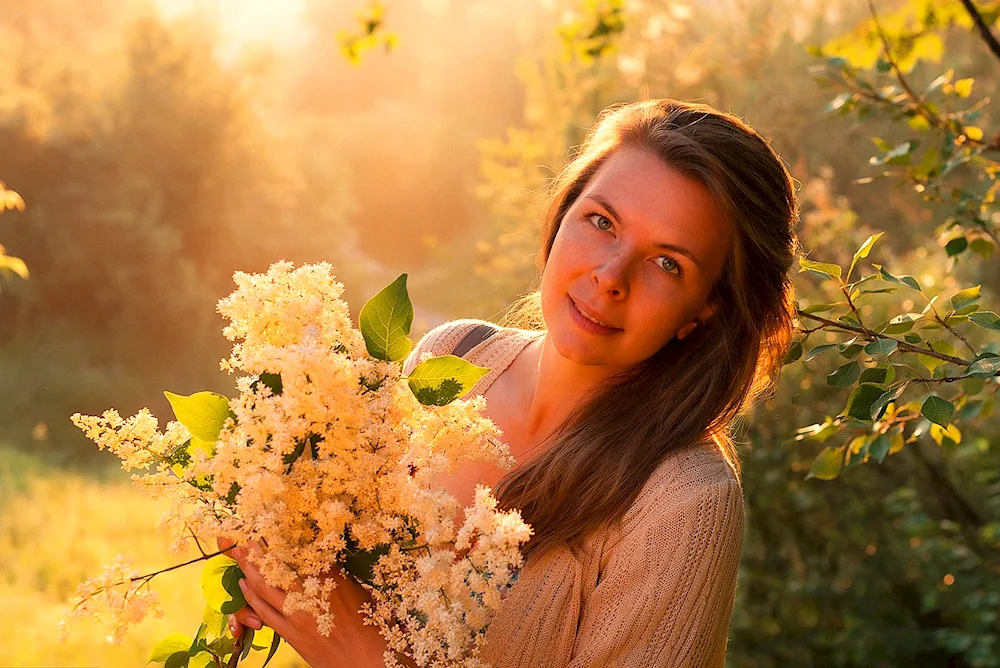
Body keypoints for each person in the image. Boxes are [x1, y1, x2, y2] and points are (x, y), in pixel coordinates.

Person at [222, 98, 799, 667]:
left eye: (668, 263)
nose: (609, 276)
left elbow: (356, 643)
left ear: (707, 311)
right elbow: (339, 586)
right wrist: (278, 551)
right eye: (601, 222)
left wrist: (365, 657)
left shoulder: (683, 505)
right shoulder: (450, 357)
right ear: (563, 215)